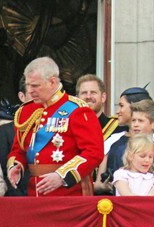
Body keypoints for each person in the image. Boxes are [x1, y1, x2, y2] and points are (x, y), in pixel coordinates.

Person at [7, 57, 104, 196]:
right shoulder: (25, 112)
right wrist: (17, 166)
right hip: (35, 194)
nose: (29, 90)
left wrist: (61, 176)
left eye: (35, 86)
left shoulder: (77, 110)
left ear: (52, 82)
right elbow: (19, 149)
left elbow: (94, 153)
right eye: (28, 85)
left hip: (69, 193)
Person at [76, 74, 128, 195]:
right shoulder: (68, 129)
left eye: (93, 92)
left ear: (103, 97)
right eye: (84, 93)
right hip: (77, 195)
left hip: (108, 197)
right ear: (76, 98)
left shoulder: (120, 128)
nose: (88, 97)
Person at [0, 75, 31, 196]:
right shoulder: (6, 130)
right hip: (18, 201)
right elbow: (1, 172)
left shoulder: (57, 127)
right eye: (33, 94)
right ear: (22, 96)